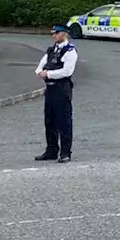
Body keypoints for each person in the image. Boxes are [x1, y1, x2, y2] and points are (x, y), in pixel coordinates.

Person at [35, 25, 78, 163]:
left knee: (63, 121)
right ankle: (51, 150)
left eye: (57, 33)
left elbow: (67, 72)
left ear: (64, 34)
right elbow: (40, 66)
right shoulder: (51, 50)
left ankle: (65, 152)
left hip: (62, 89)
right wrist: (40, 72)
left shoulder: (69, 51)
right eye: (53, 33)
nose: (54, 35)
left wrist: (48, 73)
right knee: (49, 121)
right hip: (50, 89)